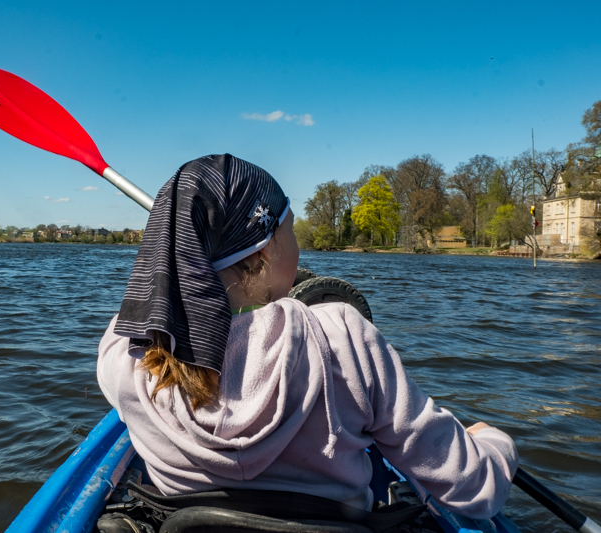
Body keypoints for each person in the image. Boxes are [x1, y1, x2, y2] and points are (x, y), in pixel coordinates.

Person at [97, 154, 518, 519]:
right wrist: (495, 444)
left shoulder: (127, 355)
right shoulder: (342, 335)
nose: (298, 247)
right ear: (265, 250)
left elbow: (148, 307)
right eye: (291, 231)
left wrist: (186, 262)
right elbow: (473, 489)